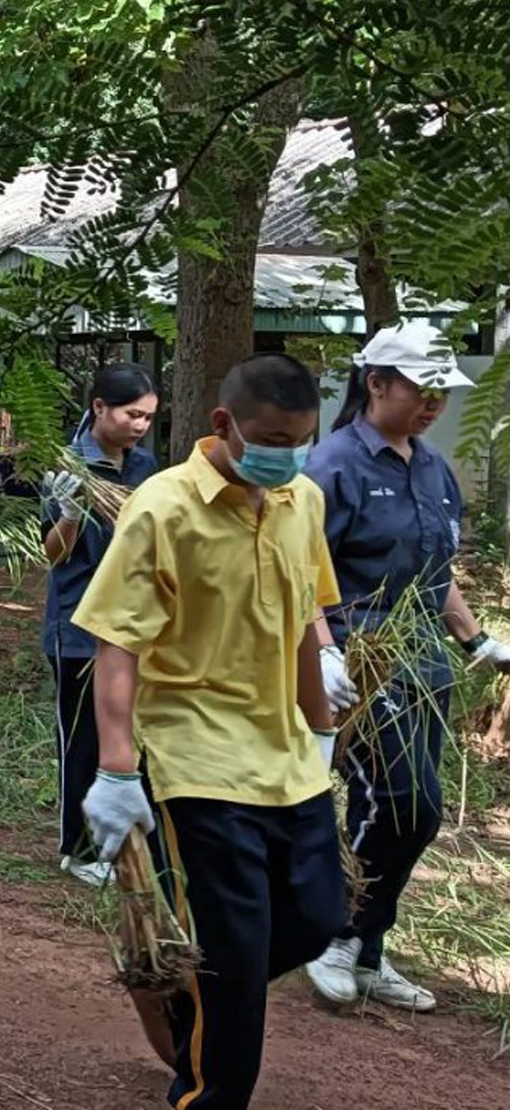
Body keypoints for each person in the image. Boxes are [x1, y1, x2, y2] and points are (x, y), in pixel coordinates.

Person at [75, 352, 345, 1110]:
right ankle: (206, 1095)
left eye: (300, 439)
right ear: (223, 424)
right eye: (270, 438)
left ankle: (182, 994)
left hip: (287, 756)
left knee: (319, 915)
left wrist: (321, 724)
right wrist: (118, 770)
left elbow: (303, 618)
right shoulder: (162, 507)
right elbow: (117, 641)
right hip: (194, 755)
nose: (285, 454)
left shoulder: (302, 500)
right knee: (236, 943)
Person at [302, 322, 509, 1012]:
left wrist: (475, 639)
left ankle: (368, 946)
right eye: (421, 389)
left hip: (422, 661)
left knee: (418, 813)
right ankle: (333, 934)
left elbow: (436, 569)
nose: (432, 405)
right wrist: (324, 650)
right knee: (398, 801)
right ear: (377, 383)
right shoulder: (332, 466)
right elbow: (301, 570)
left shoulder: (431, 467)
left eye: (441, 393)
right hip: (359, 658)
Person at [38, 364, 159, 889]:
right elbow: (50, 555)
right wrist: (67, 513)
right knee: (83, 739)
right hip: (78, 626)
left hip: (133, 624)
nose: (140, 426)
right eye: (133, 414)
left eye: (149, 417)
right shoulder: (65, 467)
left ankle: (124, 839)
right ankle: (78, 847)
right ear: (99, 409)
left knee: (134, 734)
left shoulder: (146, 467)